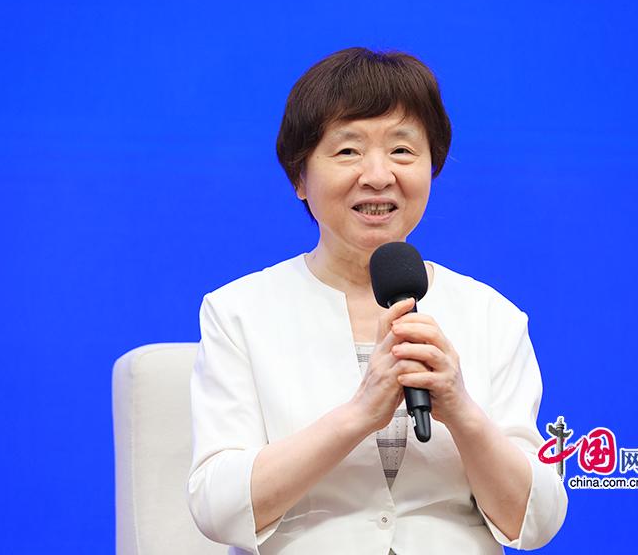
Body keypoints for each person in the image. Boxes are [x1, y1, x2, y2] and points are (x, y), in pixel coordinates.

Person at [187, 47, 568, 554]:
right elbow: (216, 506)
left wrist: (461, 409)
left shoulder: (490, 315)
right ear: (300, 177)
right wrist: (359, 414)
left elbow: (536, 520)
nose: (378, 175)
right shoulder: (239, 312)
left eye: (402, 151)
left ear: (432, 167)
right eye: (348, 151)